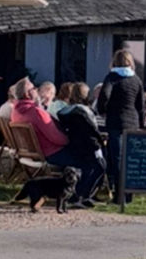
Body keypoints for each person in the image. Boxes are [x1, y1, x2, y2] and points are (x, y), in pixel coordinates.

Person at [11, 77, 98, 207]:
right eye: (34, 88)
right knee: (89, 161)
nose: (37, 90)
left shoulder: (16, 111)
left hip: (35, 152)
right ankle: (76, 197)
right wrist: (70, 139)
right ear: (28, 94)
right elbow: (57, 138)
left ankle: (73, 195)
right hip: (52, 152)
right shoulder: (36, 112)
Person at [97, 49, 144, 203]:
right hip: (132, 122)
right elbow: (140, 105)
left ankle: (119, 195)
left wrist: (102, 110)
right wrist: (142, 123)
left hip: (115, 121)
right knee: (129, 158)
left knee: (117, 158)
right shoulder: (136, 80)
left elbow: (104, 95)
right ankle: (129, 194)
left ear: (115, 62)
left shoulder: (112, 77)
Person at [57, 82, 106, 202]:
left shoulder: (66, 111)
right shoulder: (84, 112)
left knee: (88, 168)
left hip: (75, 146)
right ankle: (82, 195)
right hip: (90, 146)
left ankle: (80, 195)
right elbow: (91, 130)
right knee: (101, 167)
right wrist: (101, 140)